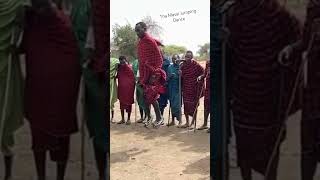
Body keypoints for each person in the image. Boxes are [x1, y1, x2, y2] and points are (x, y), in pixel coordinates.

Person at [226, 0, 301, 179]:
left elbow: (300, 37)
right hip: (245, 92)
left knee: (268, 145)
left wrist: (289, 49)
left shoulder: (276, 12)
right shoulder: (233, 13)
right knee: (245, 144)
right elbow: (228, 52)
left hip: (268, 93)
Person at [21, 0, 81, 179]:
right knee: (44, 135)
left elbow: (71, 55)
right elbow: (24, 46)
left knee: (53, 134)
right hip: (44, 88)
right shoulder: (36, 19)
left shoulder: (56, 19)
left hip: (57, 89)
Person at [279, 1, 320, 179]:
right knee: (308, 144)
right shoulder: (313, 7)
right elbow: (305, 40)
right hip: (312, 90)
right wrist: (291, 48)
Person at [70, 0, 108, 178]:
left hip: (100, 74)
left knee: (101, 127)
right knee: (99, 127)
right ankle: (102, 173)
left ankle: (103, 173)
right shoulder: (81, 6)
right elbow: (75, 40)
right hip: (94, 76)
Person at [0, 1, 25, 179]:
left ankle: (8, 174)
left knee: (6, 114)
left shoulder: (18, 3)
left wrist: (16, 42)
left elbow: (22, 22)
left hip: (7, 63)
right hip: (8, 58)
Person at [135, 22, 166, 128]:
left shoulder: (149, 41)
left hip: (152, 73)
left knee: (152, 96)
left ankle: (159, 118)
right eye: (136, 31)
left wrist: (155, 73)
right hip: (143, 74)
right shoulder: (141, 42)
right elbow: (142, 60)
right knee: (143, 96)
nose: (137, 32)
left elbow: (159, 59)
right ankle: (149, 117)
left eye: (138, 30)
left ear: (145, 28)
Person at [180, 50, 205, 128]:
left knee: (194, 106)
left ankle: (193, 123)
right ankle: (187, 122)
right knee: (186, 106)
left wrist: (200, 77)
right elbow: (181, 76)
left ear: (192, 57)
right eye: (186, 56)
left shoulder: (196, 65)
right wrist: (180, 73)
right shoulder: (182, 65)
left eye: (189, 57)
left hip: (194, 88)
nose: (187, 58)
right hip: (186, 88)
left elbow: (203, 72)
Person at [117, 56, 135, 125]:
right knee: (121, 104)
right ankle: (122, 119)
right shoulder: (119, 68)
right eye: (120, 60)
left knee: (128, 104)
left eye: (123, 60)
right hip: (121, 89)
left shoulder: (129, 68)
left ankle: (128, 119)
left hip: (128, 90)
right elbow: (118, 76)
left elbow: (132, 79)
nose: (121, 61)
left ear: (125, 60)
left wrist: (131, 87)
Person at [167, 54, 182, 126]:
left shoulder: (181, 67)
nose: (174, 60)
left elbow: (183, 78)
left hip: (178, 88)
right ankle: (173, 121)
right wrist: (170, 76)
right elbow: (167, 78)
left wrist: (180, 75)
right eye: (173, 59)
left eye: (175, 59)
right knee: (172, 104)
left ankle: (180, 120)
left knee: (177, 105)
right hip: (171, 88)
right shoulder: (169, 67)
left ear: (178, 59)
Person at [132, 59, 147, 123]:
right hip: (138, 85)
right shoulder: (135, 62)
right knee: (139, 101)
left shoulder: (146, 62)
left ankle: (147, 117)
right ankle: (141, 117)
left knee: (145, 101)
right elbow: (134, 73)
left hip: (145, 85)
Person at [197, 58, 210, 130]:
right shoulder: (208, 63)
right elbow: (204, 74)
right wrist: (201, 77)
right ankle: (205, 124)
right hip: (207, 90)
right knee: (206, 107)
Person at [157, 49, 171, 116]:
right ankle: (159, 117)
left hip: (164, 84)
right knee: (157, 100)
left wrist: (166, 81)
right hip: (157, 84)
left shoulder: (167, 62)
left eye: (161, 53)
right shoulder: (156, 62)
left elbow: (168, 72)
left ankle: (161, 116)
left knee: (162, 102)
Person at [110, 57, 120, 123]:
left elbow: (120, 68)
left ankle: (112, 118)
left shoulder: (115, 61)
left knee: (111, 100)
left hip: (112, 82)